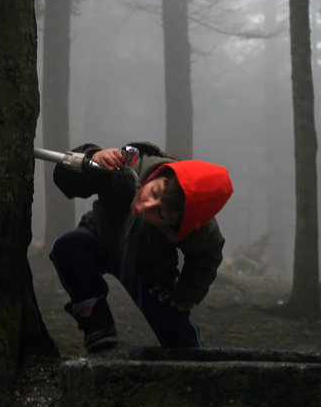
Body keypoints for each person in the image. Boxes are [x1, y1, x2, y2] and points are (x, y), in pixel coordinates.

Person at [49, 141, 233, 353]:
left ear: (178, 223)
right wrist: (92, 157)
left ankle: (192, 361)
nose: (145, 207)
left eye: (161, 214)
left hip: (150, 266)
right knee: (68, 248)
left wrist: (187, 295)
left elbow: (207, 255)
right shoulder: (126, 170)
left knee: (172, 324)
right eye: (153, 193)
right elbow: (68, 182)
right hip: (99, 239)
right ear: (157, 176)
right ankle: (97, 325)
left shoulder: (198, 227)